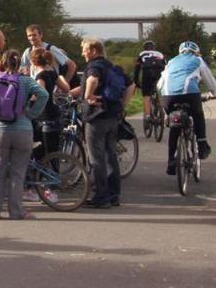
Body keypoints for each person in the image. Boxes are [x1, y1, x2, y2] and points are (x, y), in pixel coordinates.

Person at [0, 50, 49, 219]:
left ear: (3, 62)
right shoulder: (26, 81)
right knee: (17, 172)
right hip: (23, 129)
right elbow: (44, 94)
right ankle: (16, 211)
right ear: (19, 64)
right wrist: (31, 113)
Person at [75, 38, 132, 209]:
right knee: (110, 155)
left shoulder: (95, 66)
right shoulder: (112, 66)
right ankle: (114, 195)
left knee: (96, 158)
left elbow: (92, 80)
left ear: (93, 50)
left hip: (96, 118)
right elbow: (131, 86)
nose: (82, 53)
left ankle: (101, 197)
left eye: (84, 49)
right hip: (112, 116)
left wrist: (88, 97)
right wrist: (122, 105)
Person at [159, 40, 216, 176]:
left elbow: (160, 84)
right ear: (195, 51)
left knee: (174, 125)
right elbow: (210, 81)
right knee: (198, 115)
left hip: (168, 97)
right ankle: (202, 145)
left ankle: (171, 162)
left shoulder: (171, 62)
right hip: (190, 94)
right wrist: (213, 93)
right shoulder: (198, 60)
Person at [28, 46, 70, 161]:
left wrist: (30, 97)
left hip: (43, 117)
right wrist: (61, 76)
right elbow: (66, 88)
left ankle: (43, 175)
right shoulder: (52, 72)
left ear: (32, 61)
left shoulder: (40, 77)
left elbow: (41, 95)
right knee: (53, 152)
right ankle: (54, 176)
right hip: (54, 114)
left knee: (41, 152)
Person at [132, 40, 167, 126]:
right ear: (154, 48)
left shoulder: (142, 54)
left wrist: (136, 82)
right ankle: (162, 108)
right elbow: (166, 66)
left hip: (147, 72)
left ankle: (148, 116)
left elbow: (137, 69)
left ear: (145, 48)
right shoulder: (159, 54)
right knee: (161, 91)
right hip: (160, 71)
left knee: (146, 95)